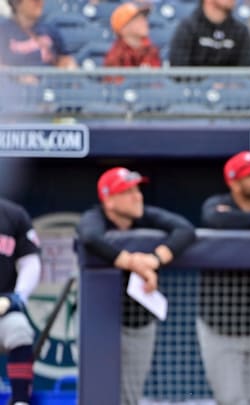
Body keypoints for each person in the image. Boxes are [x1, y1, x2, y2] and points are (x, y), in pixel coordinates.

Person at [76, 167, 196, 405]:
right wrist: (135, 264)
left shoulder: (144, 214)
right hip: (99, 323)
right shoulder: (96, 217)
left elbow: (185, 229)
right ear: (109, 200)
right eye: (127, 191)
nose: (137, 195)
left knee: (130, 397)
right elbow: (89, 237)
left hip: (139, 322)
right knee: (97, 392)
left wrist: (154, 260)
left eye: (137, 189)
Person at [197, 151, 250, 405]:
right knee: (232, 399)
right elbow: (215, 218)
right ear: (234, 182)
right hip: (220, 329)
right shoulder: (217, 203)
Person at [0, 198, 41, 405]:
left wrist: (17, 298)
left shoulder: (12, 213)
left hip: (2, 308)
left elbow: (30, 262)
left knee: (19, 328)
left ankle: (20, 400)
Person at [169, 0, 250, 66]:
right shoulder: (188, 28)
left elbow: (246, 71)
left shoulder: (241, 31)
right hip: (194, 88)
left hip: (230, 89)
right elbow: (179, 70)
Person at [0, 0, 77, 67]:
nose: (40, 3)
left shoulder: (49, 29)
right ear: (17, 3)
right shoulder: (3, 31)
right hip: (14, 82)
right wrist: (16, 77)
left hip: (48, 82)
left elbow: (65, 59)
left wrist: (68, 67)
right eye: (35, 0)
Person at [104, 2, 161, 68]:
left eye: (144, 19)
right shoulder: (115, 55)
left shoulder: (151, 51)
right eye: (138, 20)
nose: (144, 22)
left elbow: (157, 77)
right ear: (123, 28)